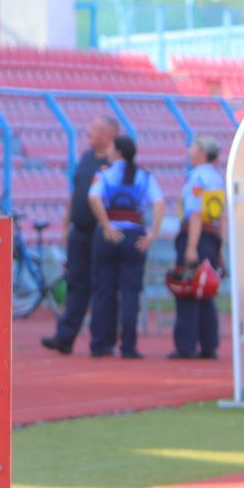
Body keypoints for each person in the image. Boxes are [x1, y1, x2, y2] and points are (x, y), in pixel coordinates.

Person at [41, 115, 119, 354]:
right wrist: (66, 224)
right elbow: (75, 193)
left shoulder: (114, 163)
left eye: (94, 129)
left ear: (107, 136)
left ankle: (102, 341)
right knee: (76, 283)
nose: (89, 132)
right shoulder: (86, 158)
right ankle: (65, 337)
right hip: (80, 231)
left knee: (103, 287)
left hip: (100, 233)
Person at [87, 134, 164, 359]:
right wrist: (152, 234)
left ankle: (100, 343)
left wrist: (106, 225)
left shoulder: (103, 174)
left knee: (104, 292)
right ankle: (128, 346)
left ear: (118, 152)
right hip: (134, 235)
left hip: (109, 235)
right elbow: (159, 202)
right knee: (131, 293)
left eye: (111, 148)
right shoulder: (145, 176)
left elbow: (93, 198)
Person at [168, 134, 226, 360]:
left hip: (196, 236)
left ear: (202, 153)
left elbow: (195, 214)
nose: (188, 151)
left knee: (188, 288)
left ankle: (186, 345)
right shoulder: (217, 179)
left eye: (192, 147)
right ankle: (209, 343)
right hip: (212, 237)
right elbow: (222, 216)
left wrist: (191, 247)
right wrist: (220, 247)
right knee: (206, 290)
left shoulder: (197, 178)